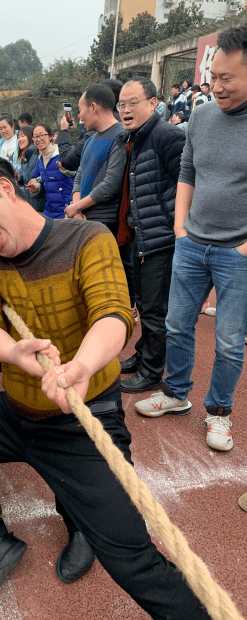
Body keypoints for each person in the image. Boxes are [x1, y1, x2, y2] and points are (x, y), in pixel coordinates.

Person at [0, 164, 211, 620]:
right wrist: (15, 353)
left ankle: (84, 529)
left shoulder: (87, 238)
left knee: (131, 557)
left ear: (5, 188)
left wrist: (83, 366)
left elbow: (114, 313)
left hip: (84, 419)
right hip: (15, 413)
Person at [134, 24, 247, 452]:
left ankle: (219, 412)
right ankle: (176, 393)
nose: (215, 86)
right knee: (177, 324)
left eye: (226, 78)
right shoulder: (200, 116)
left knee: (230, 341)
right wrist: (181, 227)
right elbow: (188, 172)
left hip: (237, 252)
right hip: (192, 242)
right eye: (212, 76)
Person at [114, 77, 186, 394]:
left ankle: (152, 370)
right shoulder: (135, 139)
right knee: (143, 304)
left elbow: (187, 185)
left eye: (133, 103)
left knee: (156, 310)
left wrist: (174, 224)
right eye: (122, 104)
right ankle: (143, 354)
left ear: (153, 103)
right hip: (141, 236)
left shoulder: (167, 136)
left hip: (162, 239)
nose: (126, 110)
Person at [64, 85, 125, 233]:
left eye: (80, 109)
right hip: (84, 219)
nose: (79, 115)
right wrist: (77, 210)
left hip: (106, 221)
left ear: (93, 107)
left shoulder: (121, 136)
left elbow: (110, 185)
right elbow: (79, 176)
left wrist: (77, 207)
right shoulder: (90, 140)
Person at [26, 123, 73, 219]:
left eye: (41, 135)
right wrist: (35, 187)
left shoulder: (62, 154)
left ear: (50, 136)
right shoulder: (40, 158)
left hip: (67, 209)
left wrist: (68, 171)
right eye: (35, 137)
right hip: (49, 210)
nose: (38, 139)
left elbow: (77, 175)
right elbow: (37, 178)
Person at [14, 125, 41, 209]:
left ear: (30, 137)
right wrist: (16, 175)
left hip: (40, 201)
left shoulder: (37, 154)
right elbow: (24, 177)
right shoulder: (25, 156)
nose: (20, 139)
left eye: (23, 136)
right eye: (18, 137)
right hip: (31, 200)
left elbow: (43, 175)